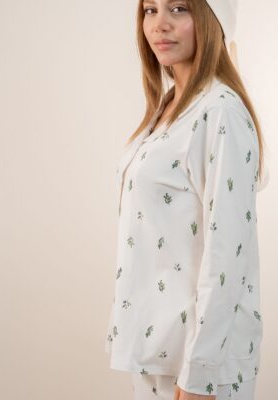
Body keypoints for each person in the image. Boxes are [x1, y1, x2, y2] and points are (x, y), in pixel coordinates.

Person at [105, 0, 269, 399]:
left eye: (178, 8)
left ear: (211, 20)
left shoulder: (221, 111)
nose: (159, 24)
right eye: (150, 9)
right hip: (157, 351)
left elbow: (228, 251)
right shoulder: (168, 106)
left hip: (199, 364)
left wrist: (200, 372)